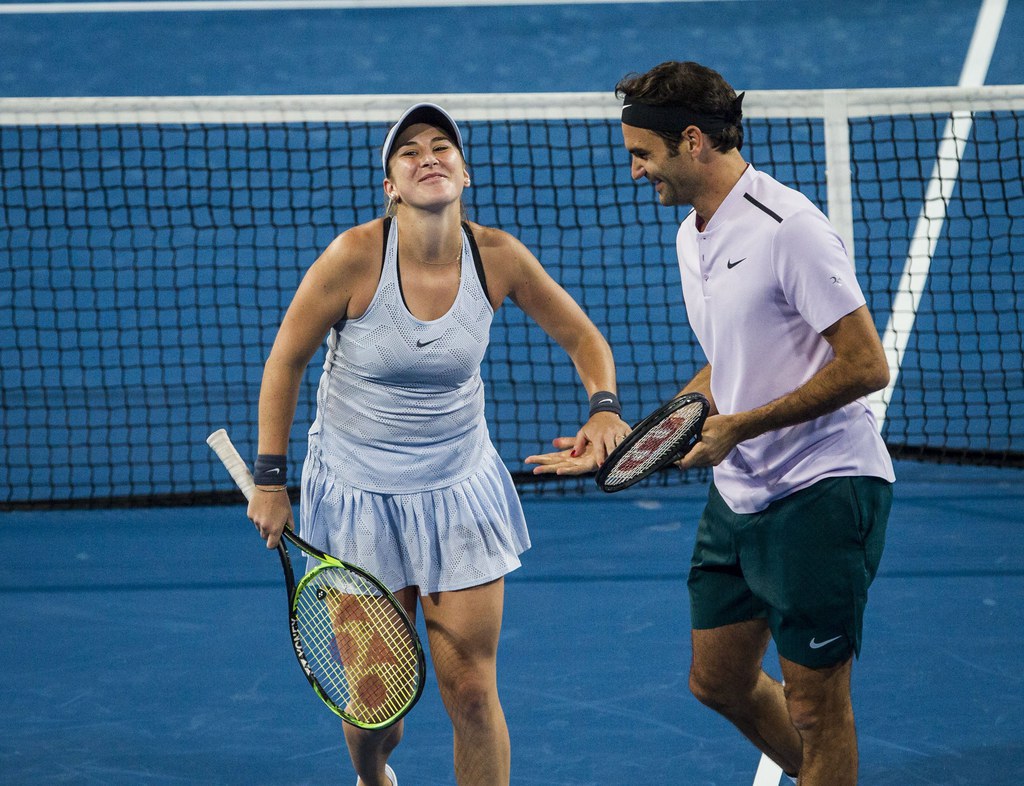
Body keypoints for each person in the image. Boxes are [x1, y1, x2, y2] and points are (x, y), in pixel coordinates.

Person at [527, 61, 895, 785]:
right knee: (717, 680)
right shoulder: (690, 236)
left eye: (642, 153)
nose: (635, 171)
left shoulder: (789, 229)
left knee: (819, 711)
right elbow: (726, 365)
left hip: (821, 491)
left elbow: (865, 366)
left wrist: (743, 427)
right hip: (740, 495)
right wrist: (639, 440)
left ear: (691, 141)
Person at [246, 102, 629, 786]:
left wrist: (604, 409)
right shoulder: (353, 258)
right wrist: (271, 480)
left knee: (474, 692)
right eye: (409, 151)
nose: (428, 156)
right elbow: (285, 361)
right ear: (390, 186)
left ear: (465, 173)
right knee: (377, 710)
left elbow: (583, 338)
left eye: (442, 146)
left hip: (457, 489)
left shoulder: (499, 257)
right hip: (359, 496)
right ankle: (371, 777)